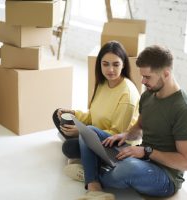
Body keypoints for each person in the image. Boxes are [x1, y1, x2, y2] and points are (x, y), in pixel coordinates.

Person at [72, 45, 187, 200]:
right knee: (89, 131)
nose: (142, 81)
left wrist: (147, 151)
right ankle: (94, 184)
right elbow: (139, 128)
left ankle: (90, 171)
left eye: (147, 77)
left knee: (128, 168)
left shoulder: (185, 110)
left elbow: (186, 163)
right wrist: (125, 134)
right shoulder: (148, 95)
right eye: (142, 76)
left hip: (164, 176)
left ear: (166, 74)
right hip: (141, 157)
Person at [52, 41, 140, 175]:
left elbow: (117, 135)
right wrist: (74, 113)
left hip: (117, 145)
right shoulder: (103, 83)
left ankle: (93, 164)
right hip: (95, 133)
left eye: (116, 64)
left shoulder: (127, 95)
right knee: (58, 115)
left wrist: (82, 133)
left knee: (69, 147)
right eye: (105, 64)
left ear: (123, 64)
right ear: (100, 64)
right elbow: (93, 115)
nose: (110, 70)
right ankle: (84, 153)